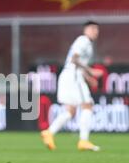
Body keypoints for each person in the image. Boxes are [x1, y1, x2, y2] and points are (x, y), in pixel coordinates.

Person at [41, 21, 103, 151]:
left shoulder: (86, 43)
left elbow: (76, 63)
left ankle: (49, 132)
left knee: (71, 111)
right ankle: (83, 141)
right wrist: (91, 71)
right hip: (73, 77)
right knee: (88, 105)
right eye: (92, 29)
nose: (95, 31)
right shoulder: (83, 40)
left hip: (69, 75)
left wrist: (88, 78)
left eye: (96, 29)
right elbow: (74, 60)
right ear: (85, 30)